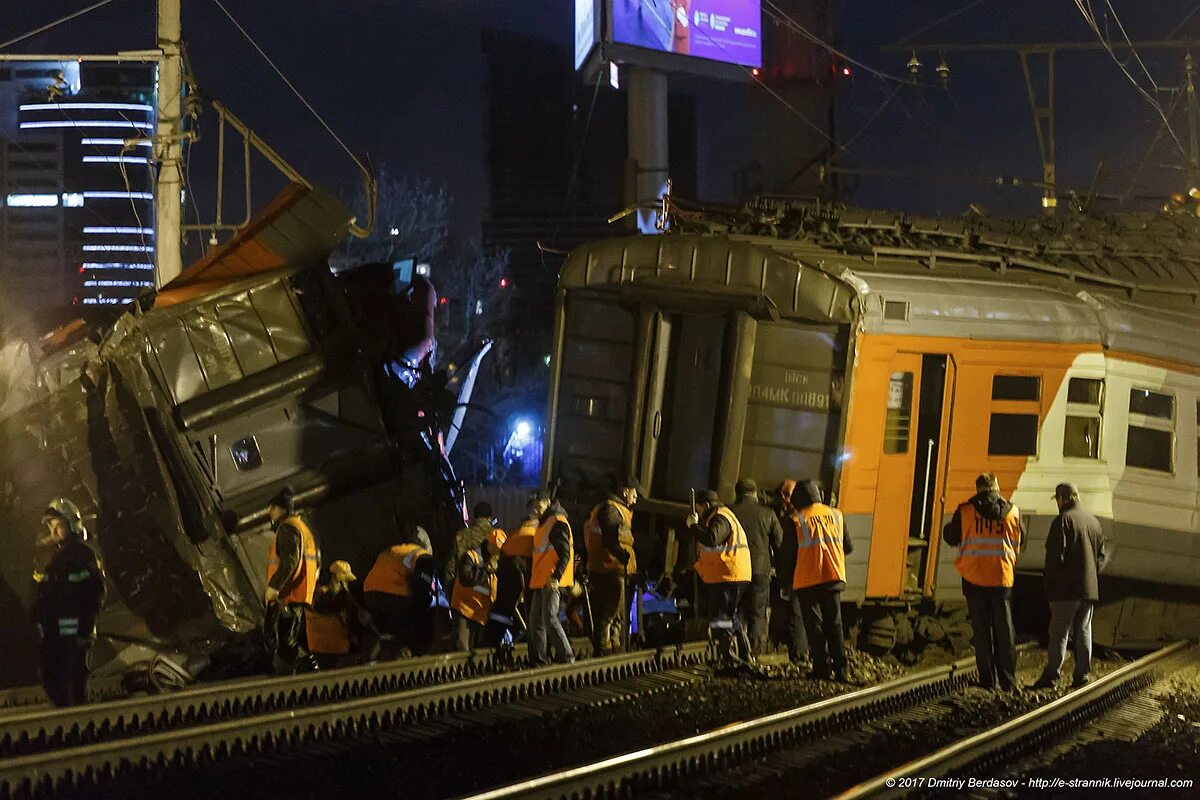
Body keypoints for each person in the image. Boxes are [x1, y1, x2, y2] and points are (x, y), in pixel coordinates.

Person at [943, 472, 1025, 692]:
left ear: (978, 489)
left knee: (981, 631)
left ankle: (987, 680)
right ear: (996, 488)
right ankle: (1008, 681)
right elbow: (1021, 541)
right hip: (1002, 578)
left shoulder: (966, 511)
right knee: (1005, 630)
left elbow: (951, 537)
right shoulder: (1013, 512)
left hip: (974, 578)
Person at [1030, 483, 1109, 690]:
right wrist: (1090, 575)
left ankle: (1051, 676)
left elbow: (1055, 557)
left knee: (1059, 633)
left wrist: (1049, 583)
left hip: (1065, 590)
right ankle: (1082, 675)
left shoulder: (1062, 521)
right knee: (1083, 630)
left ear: (1062, 499)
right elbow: (1101, 556)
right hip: (1088, 589)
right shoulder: (1094, 523)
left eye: (1057, 500)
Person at [32, 498, 106, 706]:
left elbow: (95, 594)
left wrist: (84, 629)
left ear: (72, 525)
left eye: (59, 526)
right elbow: (44, 594)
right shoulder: (54, 559)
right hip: (54, 635)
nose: (54, 531)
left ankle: (81, 727)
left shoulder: (83, 555)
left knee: (73, 685)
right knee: (49, 676)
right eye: (51, 526)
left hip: (75, 636)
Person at [789, 480, 852, 682]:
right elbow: (848, 546)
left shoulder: (797, 519)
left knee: (814, 626)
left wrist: (784, 582)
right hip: (833, 577)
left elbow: (788, 554)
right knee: (835, 624)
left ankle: (821, 669)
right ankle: (841, 670)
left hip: (808, 580)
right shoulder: (837, 515)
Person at [687, 489, 752, 663]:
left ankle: (729, 658)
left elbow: (712, 538)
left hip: (728, 576)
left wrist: (693, 526)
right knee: (732, 619)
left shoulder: (719, 517)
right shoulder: (723, 516)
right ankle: (744, 656)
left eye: (699, 508)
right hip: (733, 574)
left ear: (706, 505)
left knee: (721, 619)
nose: (698, 512)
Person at [263, 486, 320, 674]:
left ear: (282, 509)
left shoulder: (288, 528)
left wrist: (274, 587)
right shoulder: (302, 528)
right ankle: (301, 673)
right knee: (288, 640)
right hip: (298, 592)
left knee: (283, 640)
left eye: (272, 507)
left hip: (286, 594)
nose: (269, 511)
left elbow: (290, 563)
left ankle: (307, 670)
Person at [584, 476, 641, 655]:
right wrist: (621, 555)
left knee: (615, 614)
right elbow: (610, 538)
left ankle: (613, 646)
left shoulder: (609, 508)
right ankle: (605, 648)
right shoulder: (612, 510)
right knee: (612, 612)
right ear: (626, 491)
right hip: (611, 568)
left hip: (608, 567)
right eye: (634, 492)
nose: (636, 497)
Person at [484, 490, 546, 649]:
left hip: (507, 567)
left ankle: (490, 643)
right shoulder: (540, 532)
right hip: (526, 568)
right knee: (534, 611)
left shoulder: (516, 532)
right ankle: (534, 646)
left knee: (502, 608)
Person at [363, 521, 437, 655]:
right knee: (421, 615)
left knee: (394, 626)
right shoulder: (422, 555)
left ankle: (388, 646)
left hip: (369, 594)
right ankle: (416, 652)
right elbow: (421, 587)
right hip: (394, 595)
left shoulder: (394, 549)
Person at [730, 478, 784, 657]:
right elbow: (779, 543)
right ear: (754, 493)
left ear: (737, 494)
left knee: (734, 609)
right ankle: (753, 652)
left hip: (735, 569)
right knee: (757, 611)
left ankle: (733, 648)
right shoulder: (767, 513)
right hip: (760, 570)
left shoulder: (729, 512)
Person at [528, 494, 575, 666]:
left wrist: (556, 577)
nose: (535, 509)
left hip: (551, 581)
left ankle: (567, 656)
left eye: (537, 504)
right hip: (542, 580)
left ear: (548, 502)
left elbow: (565, 554)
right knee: (537, 622)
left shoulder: (557, 522)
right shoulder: (545, 523)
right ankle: (539, 661)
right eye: (533, 506)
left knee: (549, 618)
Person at [306, 560, 376, 668]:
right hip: (339, 649)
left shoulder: (314, 595)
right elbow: (353, 623)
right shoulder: (343, 599)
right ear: (341, 579)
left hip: (316, 648)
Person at [451, 529, 506, 653]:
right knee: (462, 649)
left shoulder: (497, 563)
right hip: (464, 608)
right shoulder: (471, 557)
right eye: (495, 547)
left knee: (477, 651)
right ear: (488, 544)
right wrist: (486, 571)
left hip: (480, 613)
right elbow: (466, 578)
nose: (497, 551)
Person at [773, 479, 809, 665]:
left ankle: (799, 655)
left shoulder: (794, 521)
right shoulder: (806, 517)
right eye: (783, 495)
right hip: (811, 575)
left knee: (797, 615)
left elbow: (786, 552)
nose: (784, 499)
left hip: (799, 576)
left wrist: (784, 578)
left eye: (787, 495)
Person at [445, 502, 499, 592]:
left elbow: (450, 569)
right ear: (490, 517)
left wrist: (450, 591)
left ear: (475, 516)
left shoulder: (461, 536)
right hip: (488, 594)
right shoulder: (496, 536)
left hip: (463, 595)